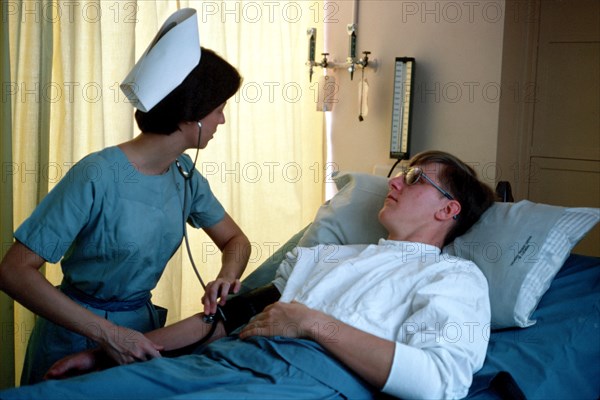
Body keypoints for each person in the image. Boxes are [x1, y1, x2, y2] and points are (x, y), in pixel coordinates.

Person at [0, 150, 496, 399]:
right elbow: (222, 318)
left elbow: (439, 381)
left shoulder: (454, 279)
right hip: (220, 359)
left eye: (414, 179)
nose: (395, 179)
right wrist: (105, 352)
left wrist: (310, 323)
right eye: (401, 169)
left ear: (448, 210)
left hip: (297, 382)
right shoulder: (329, 257)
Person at [0, 9, 250, 385]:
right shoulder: (96, 174)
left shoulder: (184, 174)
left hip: (142, 337)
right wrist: (109, 335)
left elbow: (236, 240)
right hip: (74, 336)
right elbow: (13, 271)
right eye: (218, 111)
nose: (221, 122)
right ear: (191, 117)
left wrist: (225, 278)